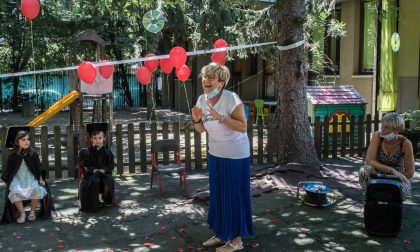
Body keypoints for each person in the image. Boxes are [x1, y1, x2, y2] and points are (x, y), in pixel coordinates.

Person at [191, 62, 253, 252]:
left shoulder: (231, 98)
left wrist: (220, 117)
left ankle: (236, 241)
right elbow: (201, 130)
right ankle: (221, 233)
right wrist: (196, 119)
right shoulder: (201, 99)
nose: (206, 80)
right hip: (215, 153)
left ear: (221, 82)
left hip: (236, 155)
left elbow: (243, 126)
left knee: (233, 196)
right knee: (218, 195)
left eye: (211, 77)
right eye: (204, 76)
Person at [1, 126, 55, 224]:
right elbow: (9, 170)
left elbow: (38, 168)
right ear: (17, 142)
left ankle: (32, 211)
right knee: (14, 189)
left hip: (31, 177)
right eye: (23, 139)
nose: (27, 141)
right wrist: (8, 180)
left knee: (36, 188)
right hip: (18, 178)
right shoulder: (13, 156)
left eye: (28, 139)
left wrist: (41, 179)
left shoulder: (33, 154)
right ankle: (22, 213)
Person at [359, 112, 415, 199]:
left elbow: (410, 173)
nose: (382, 129)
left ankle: (395, 207)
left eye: (387, 127)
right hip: (378, 172)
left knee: (404, 190)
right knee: (363, 171)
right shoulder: (377, 135)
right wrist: (391, 170)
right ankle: (368, 202)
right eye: (382, 126)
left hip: (398, 175)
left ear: (397, 130)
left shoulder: (405, 143)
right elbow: (369, 160)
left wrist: (393, 178)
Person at [78, 123, 116, 212]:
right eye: (95, 138)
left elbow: (110, 164)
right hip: (91, 174)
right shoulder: (87, 152)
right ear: (91, 139)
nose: (97, 140)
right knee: (94, 180)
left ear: (104, 138)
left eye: (100, 138)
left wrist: (104, 169)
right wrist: (93, 170)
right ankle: (95, 200)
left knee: (109, 180)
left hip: (104, 173)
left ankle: (105, 196)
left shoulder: (107, 152)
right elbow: (85, 165)